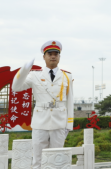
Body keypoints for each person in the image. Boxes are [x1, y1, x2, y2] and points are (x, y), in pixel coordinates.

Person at [12, 41, 74, 169]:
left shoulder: (67, 77)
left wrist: (68, 125)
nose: (53, 56)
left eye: (56, 54)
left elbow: (70, 101)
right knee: (38, 160)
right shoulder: (34, 75)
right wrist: (24, 70)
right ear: (44, 57)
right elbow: (16, 87)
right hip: (40, 123)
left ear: (59, 57)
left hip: (59, 123)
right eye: (50, 54)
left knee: (57, 159)